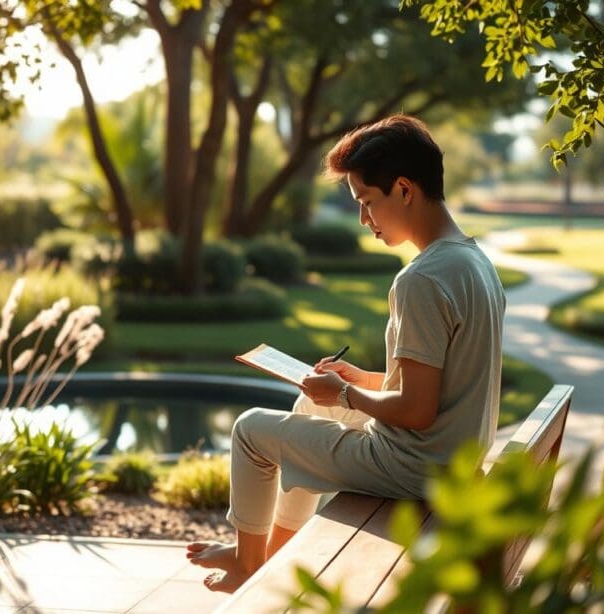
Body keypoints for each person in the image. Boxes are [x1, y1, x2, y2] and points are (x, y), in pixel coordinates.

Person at [186, 114, 506, 593]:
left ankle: (249, 564)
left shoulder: (420, 280)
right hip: (450, 457)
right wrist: (358, 380)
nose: (363, 219)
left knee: (250, 428)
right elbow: (438, 386)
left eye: (367, 202)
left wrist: (347, 396)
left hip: (414, 467)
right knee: (313, 402)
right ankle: (273, 553)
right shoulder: (473, 261)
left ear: (403, 188)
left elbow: (417, 410)